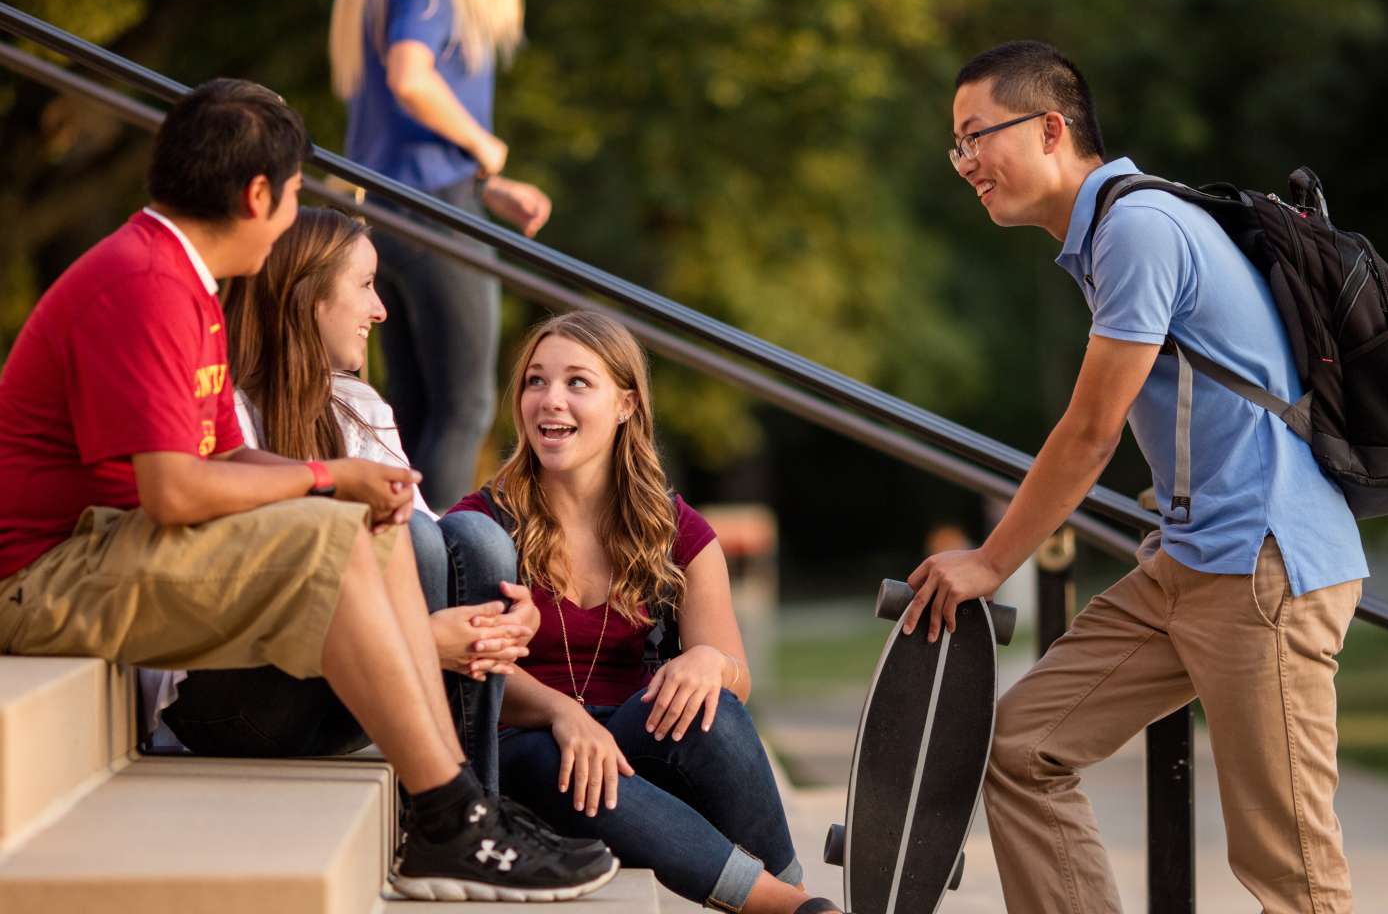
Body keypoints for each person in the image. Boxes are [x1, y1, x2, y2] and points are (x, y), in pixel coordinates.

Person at [0, 78, 615, 902]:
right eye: (292, 194)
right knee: (331, 521)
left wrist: (352, 487)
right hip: (39, 577)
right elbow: (176, 493)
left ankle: (459, 809)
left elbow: (222, 457)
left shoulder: (186, 285)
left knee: (363, 521)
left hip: (102, 549)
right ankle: (450, 818)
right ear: (258, 193)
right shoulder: (142, 284)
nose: (293, 214)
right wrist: (329, 477)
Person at [902, 42, 1369, 914]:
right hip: (1191, 563)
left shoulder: (1137, 229)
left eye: (976, 137)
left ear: (1050, 128)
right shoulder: (1113, 233)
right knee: (1023, 747)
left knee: (1291, 868)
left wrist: (991, 563)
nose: (965, 162)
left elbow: (1089, 434)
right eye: (955, 145)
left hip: (1264, 568)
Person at [442, 311, 842, 914]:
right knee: (564, 752)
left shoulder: (679, 532)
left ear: (626, 404)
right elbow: (469, 664)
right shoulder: (480, 524)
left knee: (716, 713)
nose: (551, 400)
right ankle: (795, 910)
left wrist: (710, 662)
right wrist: (561, 714)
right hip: (521, 756)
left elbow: (737, 674)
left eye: (578, 382)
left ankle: (796, 891)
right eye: (535, 381)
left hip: (630, 756)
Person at [142, 206, 537, 798]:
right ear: (309, 296)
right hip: (232, 698)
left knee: (479, 542)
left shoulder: (358, 407)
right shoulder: (220, 407)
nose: (380, 309)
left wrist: (505, 617)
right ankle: (448, 807)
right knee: (412, 539)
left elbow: (435, 551)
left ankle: (473, 800)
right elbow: (232, 601)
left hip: (336, 697)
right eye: (365, 285)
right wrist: (422, 641)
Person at [331, 0, 553, 507]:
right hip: (438, 217)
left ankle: (406, 561)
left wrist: (487, 185)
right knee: (464, 409)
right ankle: (440, 569)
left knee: (414, 409)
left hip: (384, 216)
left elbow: (396, 137)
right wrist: (483, 145)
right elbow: (410, 77)